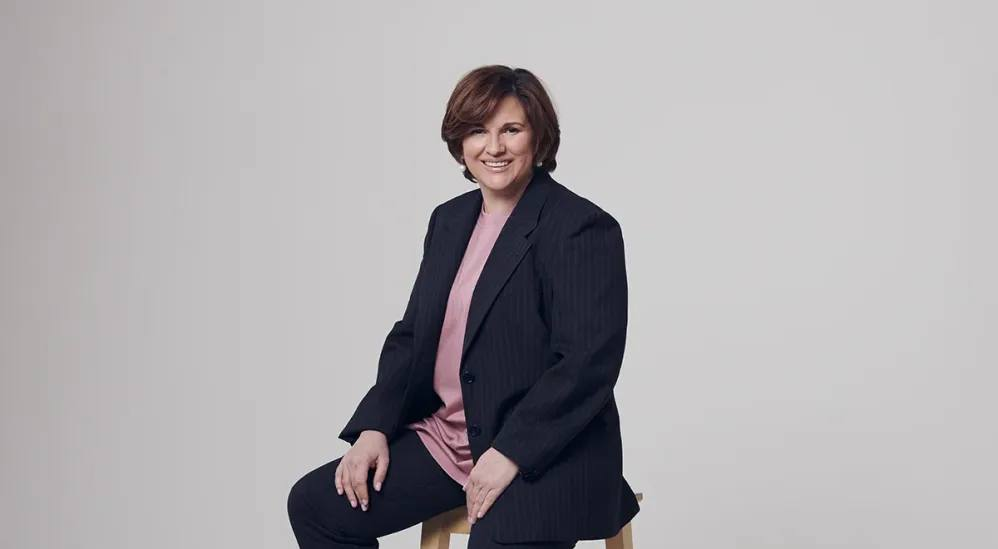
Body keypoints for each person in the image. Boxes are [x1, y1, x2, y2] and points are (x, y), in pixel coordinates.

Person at [287, 65, 640, 548]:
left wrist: (510, 452)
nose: (493, 147)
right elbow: (413, 335)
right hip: (449, 441)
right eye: (477, 131)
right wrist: (375, 426)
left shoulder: (580, 227)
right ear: (460, 143)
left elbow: (586, 364)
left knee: (495, 540)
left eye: (510, 130)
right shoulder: (449, 221)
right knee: (316, 506)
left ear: (538, 136)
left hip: (546, 452)